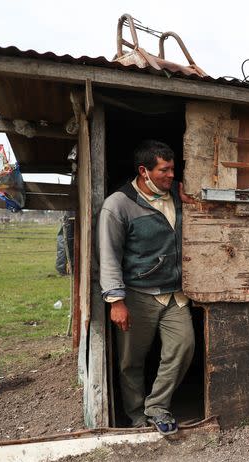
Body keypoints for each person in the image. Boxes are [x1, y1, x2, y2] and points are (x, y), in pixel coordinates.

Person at [98, 140, 195, 435]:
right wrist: (116, 300)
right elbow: (109, 254)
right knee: (131, 361)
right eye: (163, 170)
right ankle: (137, 416)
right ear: (144, 171)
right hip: (138, 294)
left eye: (172, 169)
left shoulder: (177, 194)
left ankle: (157, 406)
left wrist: (191, 201)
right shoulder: (118, 205)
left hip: (175, 294)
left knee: (183, 346)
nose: (171, 176)